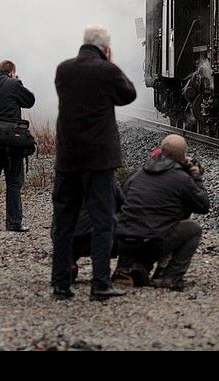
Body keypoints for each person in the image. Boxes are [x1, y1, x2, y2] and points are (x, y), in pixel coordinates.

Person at [50, 25, 137, 301]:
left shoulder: (64, 70)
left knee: (63, 222)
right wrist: (111, 64)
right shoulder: (107, 72)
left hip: (67, 158)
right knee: (103, 222)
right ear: (105, 48)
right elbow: (129, 95)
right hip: (99, 160)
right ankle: (100, 284)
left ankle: (61, 284)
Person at [112, 134, 210, 291]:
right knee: (192, 229)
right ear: (183, 156)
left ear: (161, 151)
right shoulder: (182, 178)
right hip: (153, 242)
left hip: (124, 241)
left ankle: (126, 270)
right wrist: (197, 177)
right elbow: (203, 206)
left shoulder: (138, 174)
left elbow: (123, 201)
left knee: (136, 219)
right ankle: (168, 276)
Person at [0, 60, 36, 232]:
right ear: (11, 72)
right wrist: (18, 82)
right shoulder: (14, 83)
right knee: (13, 182)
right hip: (11, 141)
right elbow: (30, 100)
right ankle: (13, 222)